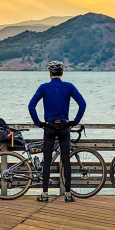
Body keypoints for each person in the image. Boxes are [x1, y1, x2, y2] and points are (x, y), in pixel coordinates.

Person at [28, 60, 86, 203]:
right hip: (64, 127)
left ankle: (45, 194)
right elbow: (82, 104)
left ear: (50, 73)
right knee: (66, 161)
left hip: (49, 127)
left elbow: (31, 106)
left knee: (47, 161)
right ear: (62, 73)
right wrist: (75, 121)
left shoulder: (44, 87)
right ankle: (68, 194)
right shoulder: (69, 87)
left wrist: (39, 123)